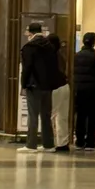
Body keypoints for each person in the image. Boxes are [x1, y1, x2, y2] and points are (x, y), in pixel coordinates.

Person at [19, 23, 62, 151]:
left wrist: (24, 84)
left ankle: (31, 144)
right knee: (46, 114)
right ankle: (48, 144)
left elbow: (27, 68)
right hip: (47, 86)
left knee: (33, 115)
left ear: (29, 32)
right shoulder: (50, 46)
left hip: (34, 84)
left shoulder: (29, 47)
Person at [72, 31, 95, 151]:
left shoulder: (76, 56)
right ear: (93, 42)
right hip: (93, 89)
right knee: (92, 115)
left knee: (81, 115)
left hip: (79, 89)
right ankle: (90, 142)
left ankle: (79, 141)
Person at [48, 33, 71, 153]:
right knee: (62, 116)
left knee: (50, 115)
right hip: (65, 86)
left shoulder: (50, 55)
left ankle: (50, 142)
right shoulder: (61, 54)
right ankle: (63, 143)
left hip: (55, 87)